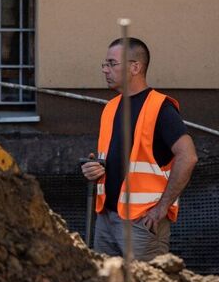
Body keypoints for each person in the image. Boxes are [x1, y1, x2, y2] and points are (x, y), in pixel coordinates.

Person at [81, 37, 197, 261]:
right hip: (107, 219)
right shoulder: (111, 107)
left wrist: (162, 208)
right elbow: (111, 160)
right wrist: (93, 169)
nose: (105, 70)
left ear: (135, 67)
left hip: (141, 224)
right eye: (104, 64)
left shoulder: (159, 107)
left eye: (112, 64)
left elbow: (188, 156)